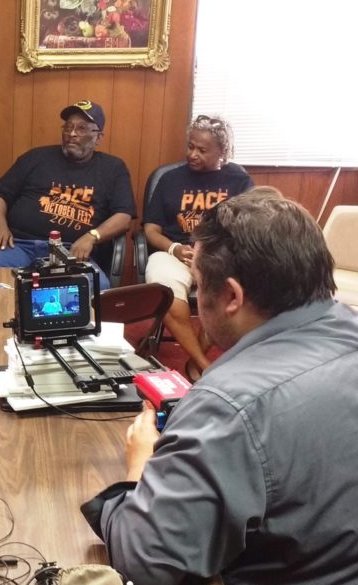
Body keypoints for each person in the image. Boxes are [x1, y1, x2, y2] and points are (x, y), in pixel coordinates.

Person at [82, 192, 358, 584]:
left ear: (230, 296)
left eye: (197, 284)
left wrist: (139, 470)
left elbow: (148, 563)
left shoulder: (228, 406)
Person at [143, 115, 253, 380]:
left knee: (230, 296)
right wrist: (174, 249)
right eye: (190, 146)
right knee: (165, 291)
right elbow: (150, 230)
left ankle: (197, 361)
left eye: (202, 150)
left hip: (219, 254)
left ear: (222, 152)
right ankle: (203, 364)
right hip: (174, 252)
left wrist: (213, 250)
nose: (192, 154)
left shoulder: (239, 181)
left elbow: (250, 226)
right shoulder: (169, 179)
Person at [0, 100, 136, 289]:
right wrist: (0, 225)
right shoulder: (35, 158)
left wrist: (92, 236)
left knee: (96, 289)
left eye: (81, 129)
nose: (72, 134)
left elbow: (123, 216)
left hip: (70, 252)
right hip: (19, 246)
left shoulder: (113, 168)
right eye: (68, 127)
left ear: (98, 137)